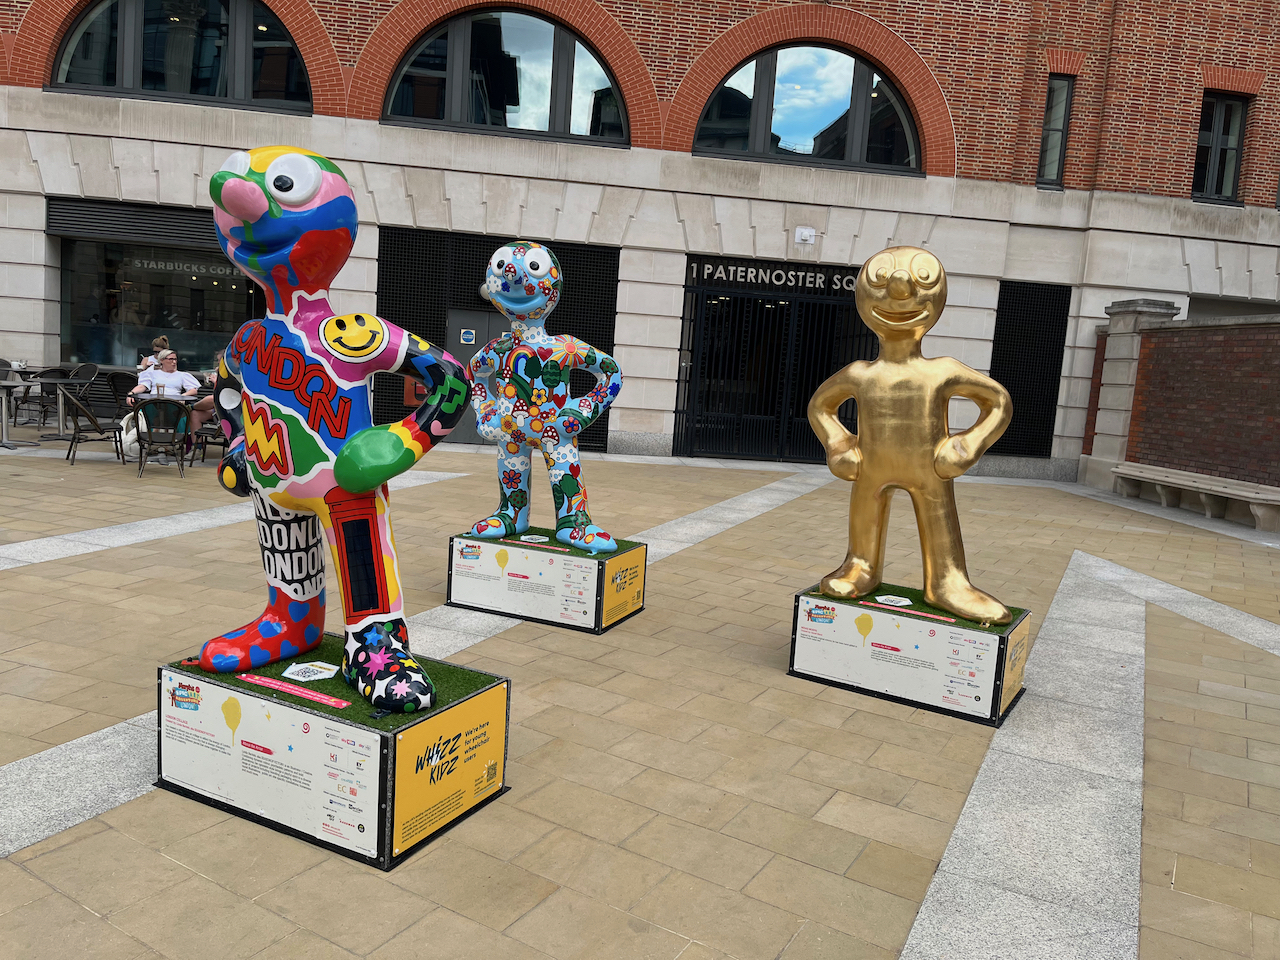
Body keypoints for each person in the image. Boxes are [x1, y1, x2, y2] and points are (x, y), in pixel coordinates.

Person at [127, 349, 200, 405]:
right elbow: (142, 386)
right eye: (171, 359)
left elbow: (193, 390)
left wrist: (182, 396)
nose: (174, 362)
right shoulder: (153, 373)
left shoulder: (182, 375)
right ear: (162, 360)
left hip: (174, 403)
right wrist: (131, 393)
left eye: (175, 359)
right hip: (154, 402)